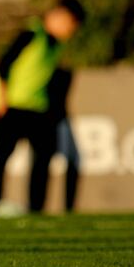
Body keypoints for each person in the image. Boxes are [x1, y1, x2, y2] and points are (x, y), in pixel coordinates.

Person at [0, 0, 85, 215]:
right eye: (70, 24)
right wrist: (2, 100)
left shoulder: (55, 45)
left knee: (43, 155)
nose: (70, 31)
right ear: (58, 16)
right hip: (12, 105)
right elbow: (4, 63)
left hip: (38, 108)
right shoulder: (32, 35)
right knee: (2, 157)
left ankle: (36, 207)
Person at [47, 67, 80, 212]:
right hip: (52, 118)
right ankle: (36, 204)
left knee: (74, 160)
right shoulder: (45, 67)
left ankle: (69, 207)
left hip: (60, 117)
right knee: (42, 161)